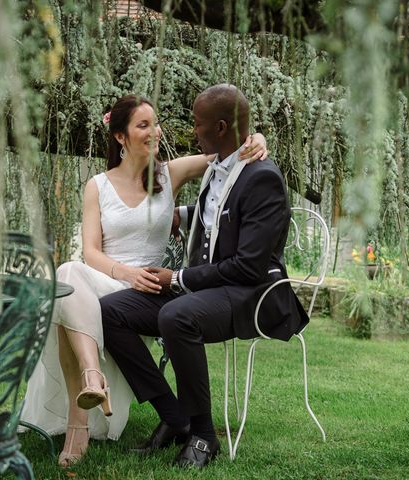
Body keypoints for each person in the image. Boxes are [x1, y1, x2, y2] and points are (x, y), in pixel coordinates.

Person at [20, 94, 268, 467]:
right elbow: (91, 252)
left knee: (68, 293)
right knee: (71, 273)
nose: (155, 132)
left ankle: (82, 418)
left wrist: (259, 138)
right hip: (108, 279)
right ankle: (91, 379)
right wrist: (126, 273)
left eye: (156, 123)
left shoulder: (171, 173)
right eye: (143, 125)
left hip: (151, 293)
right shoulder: (97, 186)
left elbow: (227, 149)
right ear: (120, 137)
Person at [99, 84, 309, 469]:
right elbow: (216, 215)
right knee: (110, 312)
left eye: (198, 124)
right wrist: (175, 215)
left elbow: (248, 266)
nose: (193, 131)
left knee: (176, 315)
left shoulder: (261, 177)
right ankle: (174, 417)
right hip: (210, 287)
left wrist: (177, 279)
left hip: (252, 294)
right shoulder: (222, 166)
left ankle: (203, 436)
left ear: (221, 127)